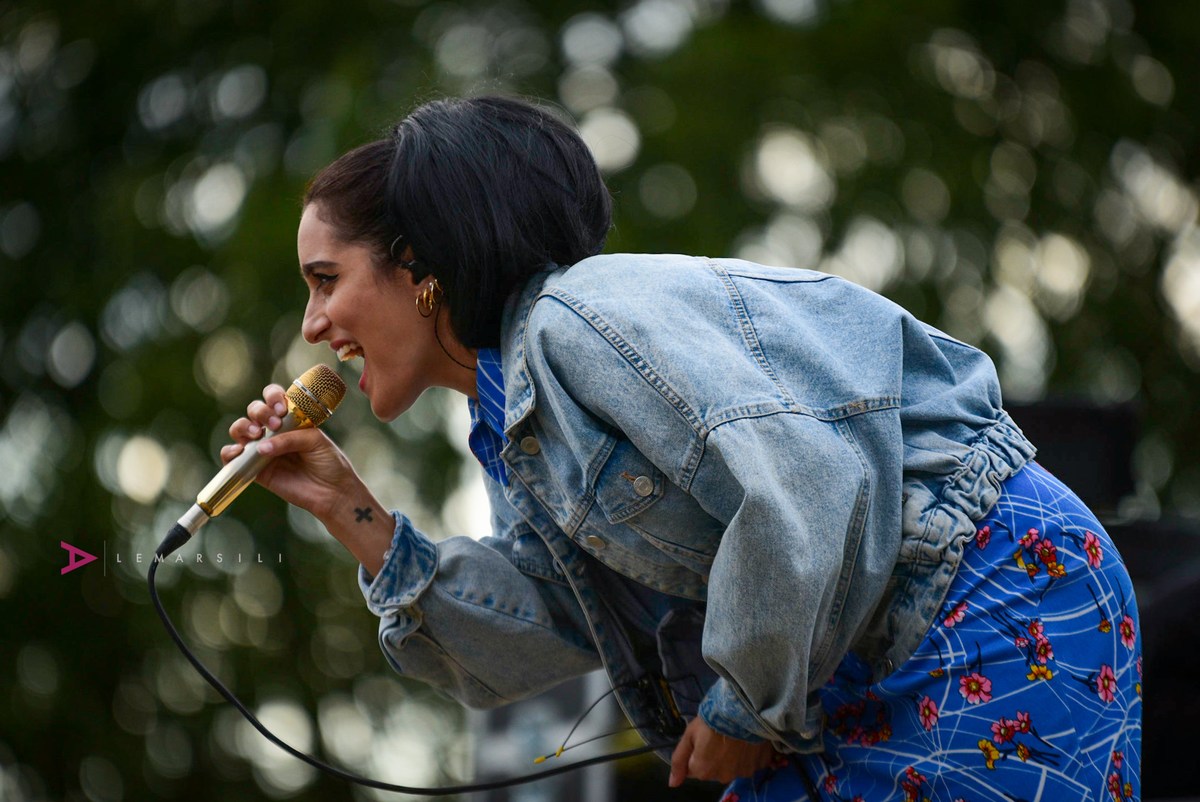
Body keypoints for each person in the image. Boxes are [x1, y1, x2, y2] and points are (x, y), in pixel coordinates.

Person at [222, 95, 1142, 800]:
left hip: (982, 590)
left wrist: (744, 704)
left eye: (326, 280)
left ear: (420, 268)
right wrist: (348, 509)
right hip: (842, 658)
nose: (312, 326)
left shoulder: (578, 322)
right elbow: (549, 626)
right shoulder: (509, 422)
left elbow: (805, 479)